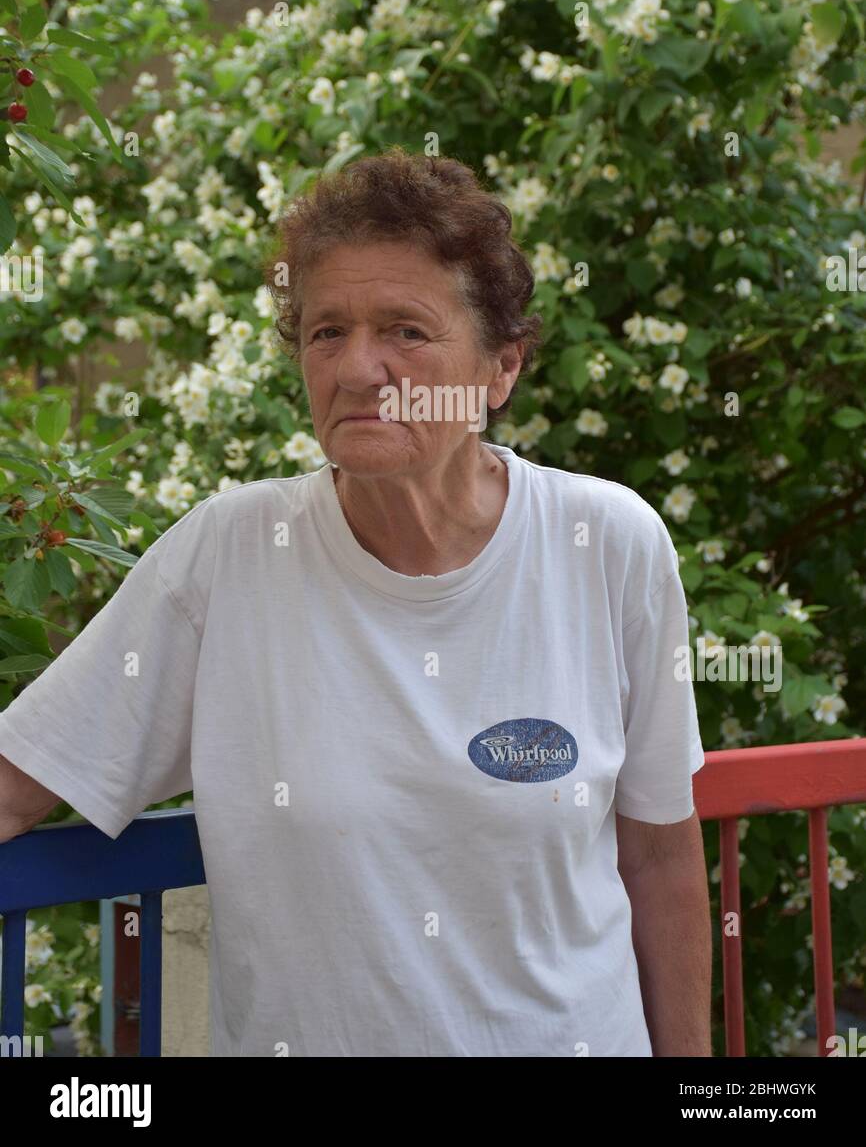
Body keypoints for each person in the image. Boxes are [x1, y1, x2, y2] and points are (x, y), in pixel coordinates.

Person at [0, 146, 711, 1057]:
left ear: (501, 369)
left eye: (406, 331)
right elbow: (19, 783)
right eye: (326, 332)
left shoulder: (609, 543)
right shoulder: (230, 556)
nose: (359, 368)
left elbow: (658, 855)